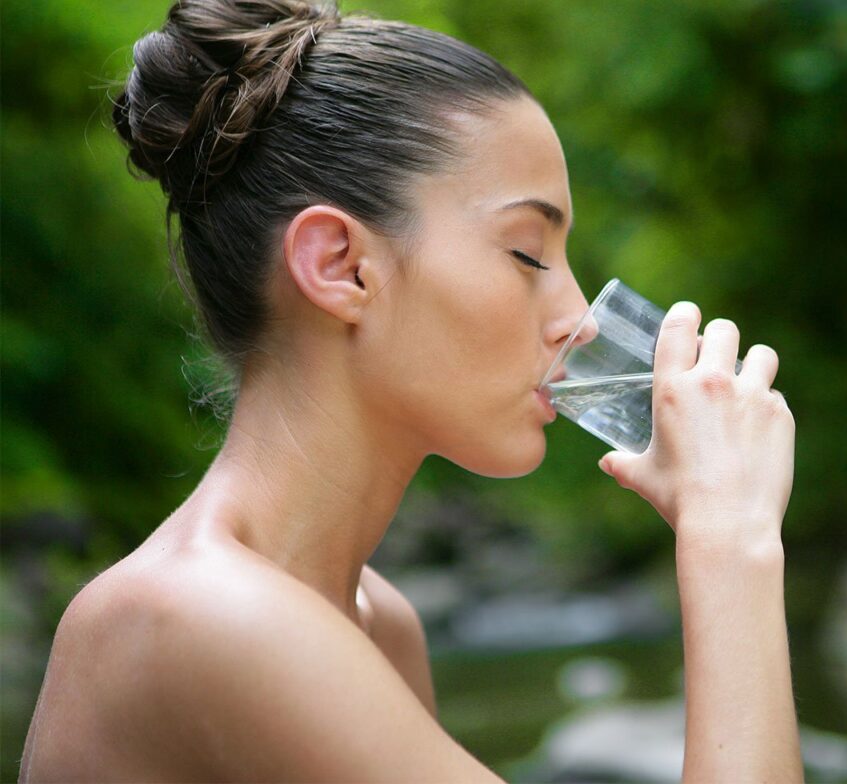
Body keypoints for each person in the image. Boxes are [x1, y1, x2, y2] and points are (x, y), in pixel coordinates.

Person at [18, 1, 801, 780]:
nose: (579, 320)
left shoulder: (375, 622)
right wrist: (730, 538)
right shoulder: (205, 618)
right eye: (528, 254)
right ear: (339, 266)